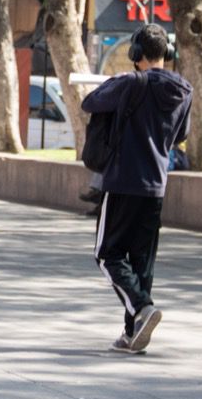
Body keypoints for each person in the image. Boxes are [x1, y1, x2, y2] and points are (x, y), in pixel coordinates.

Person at [82, 23, 192, 354]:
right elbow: (181, 134)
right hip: (155, 184)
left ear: (136, 53)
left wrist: (117, 83)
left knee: (107, 255)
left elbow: (91, 102)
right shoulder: (184, 89)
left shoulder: (130, 83)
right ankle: (133, 332)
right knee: (141, 262)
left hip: (122, 180)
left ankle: (142, 307)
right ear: (167, 53)